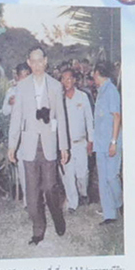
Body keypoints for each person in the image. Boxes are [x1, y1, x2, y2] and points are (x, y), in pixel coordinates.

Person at [8, 47, 70, 245]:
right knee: (32, 191)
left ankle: (57, 217)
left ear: (45, 61)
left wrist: (64, 147)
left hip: (49, 144)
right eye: (32, 61)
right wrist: (12, 145)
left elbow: (61, 117)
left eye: (39, 61)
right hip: (28, 145)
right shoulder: (22, 86)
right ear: (28, 62)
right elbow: (16, 117)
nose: (36, 65)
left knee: (50, 187)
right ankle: (38, 230)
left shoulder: (55, 86)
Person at [92, 61, 123, 225]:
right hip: (100, 142)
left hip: (111, 141)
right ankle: (109, 215)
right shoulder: (101, 91)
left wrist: (113, 141)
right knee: (103, 179)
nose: (93, 77)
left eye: (94, 74)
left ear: (98, 73)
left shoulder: (111, 91)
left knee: (112, 177)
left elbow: (116, 116)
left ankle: (120, 203)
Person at [59, 69, 94, 212]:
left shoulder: (83, 97)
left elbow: (89, 120)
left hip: (81, 142)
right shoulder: (60, 99)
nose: (66, 82)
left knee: (82, 174)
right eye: (63, 79)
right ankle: (73, 203)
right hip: (67, 145)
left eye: (69, 79)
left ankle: (83, 193)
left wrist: (91, 141)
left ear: (74, 80)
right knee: (68, 175)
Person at [1, 63, 31, 206]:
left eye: (27, 76)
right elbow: (4, 111)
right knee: (23, 169)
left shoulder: (35, 90)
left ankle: (38, 199)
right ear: (17, 77)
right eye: (22, 76)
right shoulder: (12, 91)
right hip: (18, 136)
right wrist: (10, 103)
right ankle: (27, 201)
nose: (24, 79)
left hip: (33, 134)